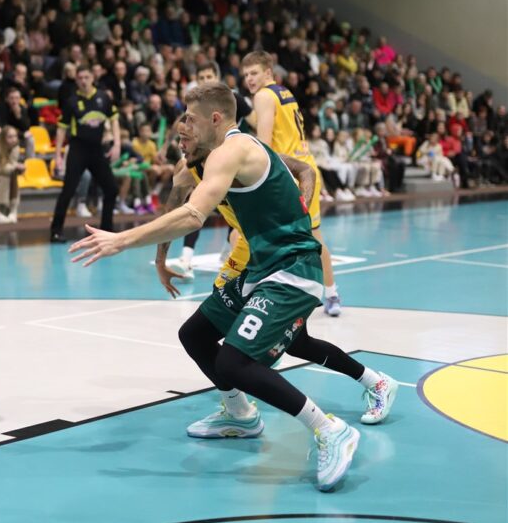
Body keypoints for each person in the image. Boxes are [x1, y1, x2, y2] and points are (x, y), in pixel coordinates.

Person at [70, 83, 398, 493]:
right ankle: (240, 415)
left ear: (215, 118)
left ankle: (330, 429)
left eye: (190, 119)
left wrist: (121, 240)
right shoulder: (200, 161)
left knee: (234, 362)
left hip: (293, 268)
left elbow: (193, 214)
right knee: (195, 334)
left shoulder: (234, 148)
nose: (183, 127)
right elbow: (177, 203)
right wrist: (160, 260)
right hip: (262, 266)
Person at [242, 50, 343, 316]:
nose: (249, 79)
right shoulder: (283, 92)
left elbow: (264, 143)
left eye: (254, 73)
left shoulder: (262, 96)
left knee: (251, 236)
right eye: (246, 75)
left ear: (268, 72)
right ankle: (331, 293)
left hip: (287, 176)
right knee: (312, 236)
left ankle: (255, 294)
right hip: (306, 168)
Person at [165, 61, 254, 282]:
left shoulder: (234, 99)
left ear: (217, 76)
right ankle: (186, 258)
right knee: (196, 204)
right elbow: (181, 125)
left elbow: (256, 121)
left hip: (231, 161)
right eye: (201, 78)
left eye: (209, 77)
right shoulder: (196, 103)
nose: (205, 81)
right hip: (206, 160)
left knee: (236, 206)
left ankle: (231, 252)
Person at [50, 64, 120, 243]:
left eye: (86, 77)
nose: (83, 81)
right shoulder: (71, 101)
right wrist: (58, 155)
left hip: (97, 150)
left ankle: (106, 229)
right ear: (76, 80)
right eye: (80, 78)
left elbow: (114, 120)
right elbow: (61, 129)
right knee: (68, 190)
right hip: (78, 149)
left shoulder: (103, 97)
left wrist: (117, 144)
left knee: (111, 189)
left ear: (92, 78)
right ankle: (56, 231)